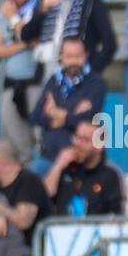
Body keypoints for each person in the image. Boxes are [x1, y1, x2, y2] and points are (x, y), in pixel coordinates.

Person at [20, 0, 118, 75]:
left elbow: (110, 44)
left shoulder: (92, 2)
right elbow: (25, 35)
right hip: (47, 75)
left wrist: (92, 73)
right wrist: (43, 11)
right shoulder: (45, 1)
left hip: (80, 77)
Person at [0, 0, 42, 163]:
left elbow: (31, 36)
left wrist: (13, 19)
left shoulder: (40, 8)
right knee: (15, 142)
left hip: (38, 82)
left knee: (44, 138)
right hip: (12, 83)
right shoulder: (5, 12)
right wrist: (23, 46)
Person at [28, 34, 105, 175]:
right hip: (48, 155)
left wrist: (54, 112)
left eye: (78, 56)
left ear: (86, 55)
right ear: (61, 57)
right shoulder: (53, 81)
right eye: (69, 56)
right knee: (30, 181)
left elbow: (88, 121)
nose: (74, 61)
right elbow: (36, 116)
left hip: (79, 159)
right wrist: (68, 115)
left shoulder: (95, 83)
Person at [43, 119, 125, 217]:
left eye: (85, 140)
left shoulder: (110, 175)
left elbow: (117, 214)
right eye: (77, 137)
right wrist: (58, 165)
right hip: (61, 229)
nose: (78, 144)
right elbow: (45, 195)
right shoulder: (65, 167)